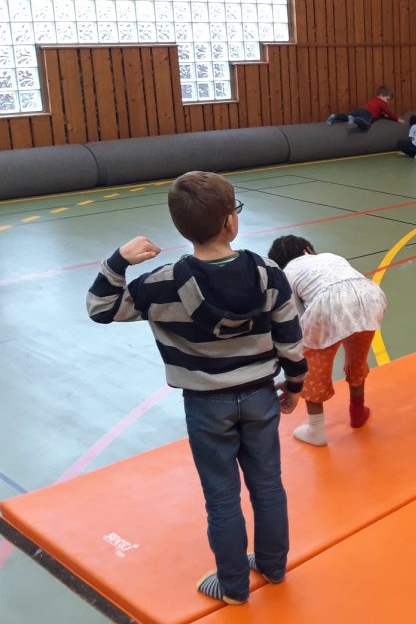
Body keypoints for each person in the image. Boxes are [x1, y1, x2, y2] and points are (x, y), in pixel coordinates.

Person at [86, 171, 307, 605]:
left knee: (221, 495)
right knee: (268, 485)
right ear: (231, 222)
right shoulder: (269, 274)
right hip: (261, 395)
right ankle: (274, 566)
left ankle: (233, 586)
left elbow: (100, 308)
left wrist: (118, 261)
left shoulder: (160, 283)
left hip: (206, 405)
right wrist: (294, 385)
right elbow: (289, 339)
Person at [267, 235, 387, 446]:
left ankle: (316, 430)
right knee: (357, 359)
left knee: (313, 368)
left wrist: (293, 364)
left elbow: (296, 318)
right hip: (370, 297)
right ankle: (357, 411)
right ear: (307, 249)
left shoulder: (286, 274)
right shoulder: (331, 256)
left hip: (328, 304)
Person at [326, 85, 406, 128]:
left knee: (347, 116)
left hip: (361, 110)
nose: (388, 102)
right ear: (381, 95)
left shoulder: (374, 100)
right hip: (368, 114)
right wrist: (397, 119)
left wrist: (382, 115)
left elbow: (379, 112)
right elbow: (389, 113)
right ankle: (355, 120)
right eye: (387, 99)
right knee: (366, 124)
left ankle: (334, 116)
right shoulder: (382, 103)